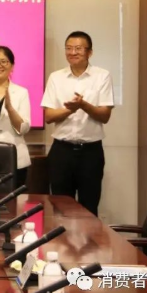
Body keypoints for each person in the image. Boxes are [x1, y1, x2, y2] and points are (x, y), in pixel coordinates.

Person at [41, 31, 114, 216]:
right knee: (60, 209)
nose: (72, 52)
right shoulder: (56, 77)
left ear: (89, 52)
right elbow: (48, 116)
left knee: (89, 208)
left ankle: (89, 237)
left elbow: (104, 115)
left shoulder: (102, 76)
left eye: (78, 48)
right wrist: (71, 109)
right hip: (61, 151)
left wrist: (83, 105)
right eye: (69, 48)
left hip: (90, 153)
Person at [0, 46, 32, 188]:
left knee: (14, 200)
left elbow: (23, 129)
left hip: (15, 158)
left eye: (4, 61)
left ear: (12, 66)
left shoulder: (21, 92)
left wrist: (10, 108)